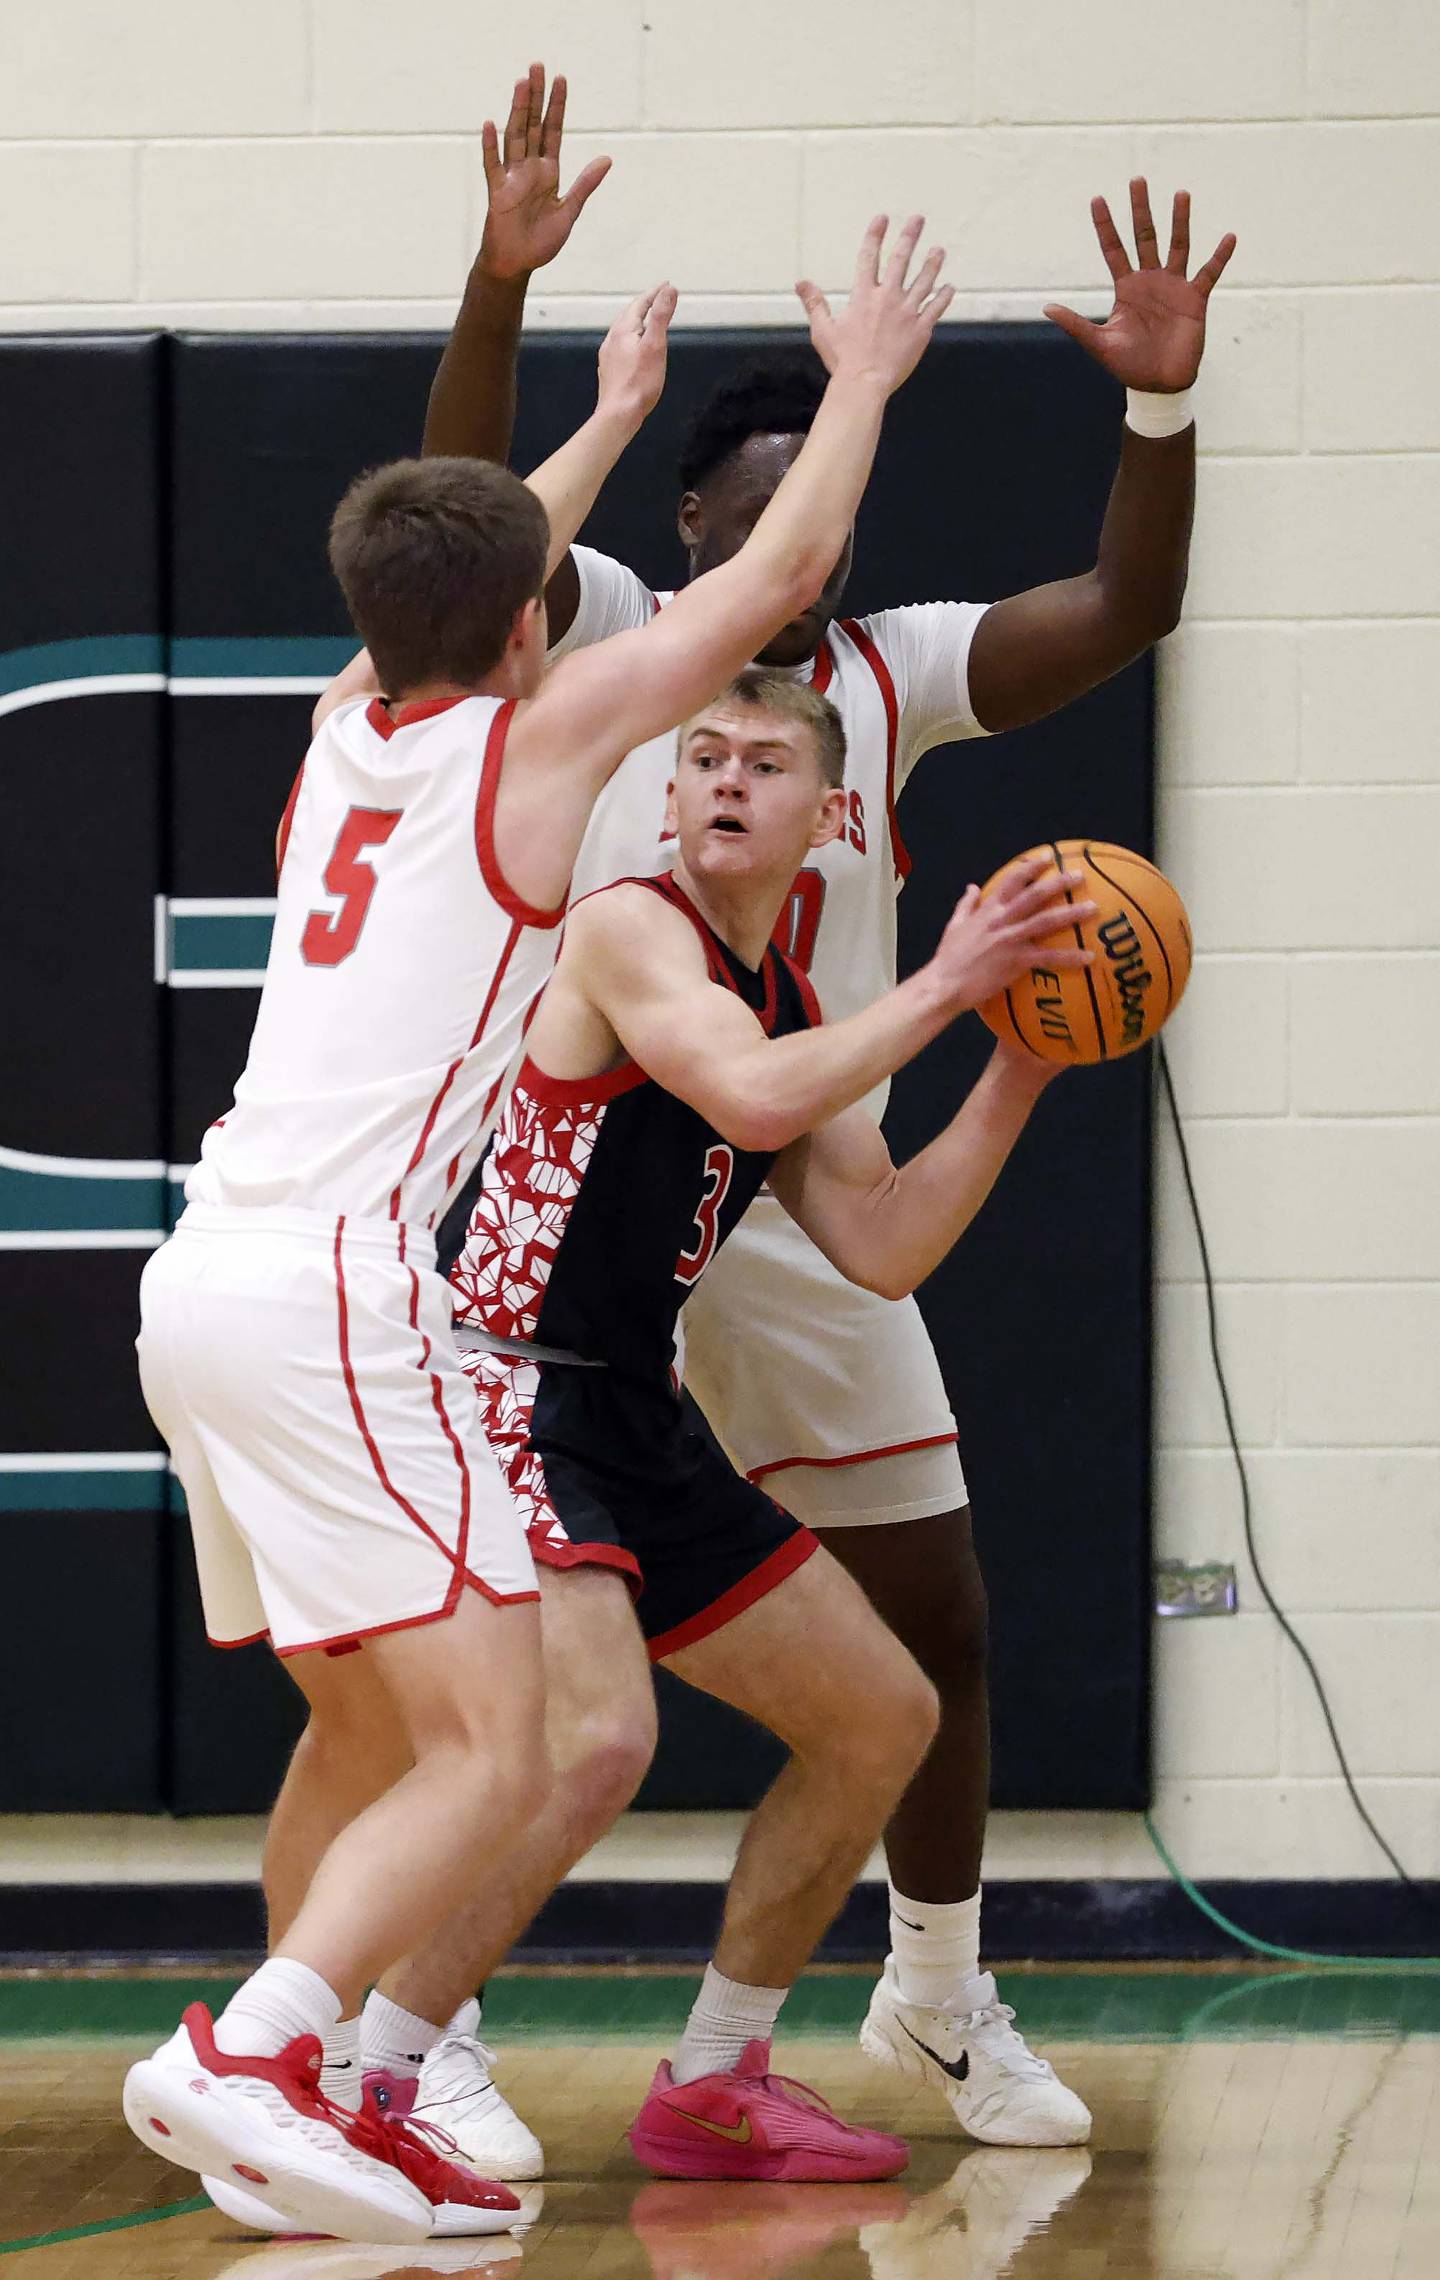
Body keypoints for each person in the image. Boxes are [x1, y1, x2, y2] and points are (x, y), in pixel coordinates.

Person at [411, 60, 1236, 2155]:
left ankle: (932, 1999)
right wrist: (500, 290)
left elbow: (1127, 609)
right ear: (702, 527)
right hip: (591, 1169)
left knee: (927, 1620)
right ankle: (425, 2029)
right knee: (530, 1693)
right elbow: (460, 509)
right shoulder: (616, 627)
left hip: (793, 1153)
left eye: (835, 491)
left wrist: (1156, 407)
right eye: (774, 496)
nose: (814, 527)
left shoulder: (883, 670)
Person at [125, 219, 954, 2243]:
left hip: (194, 1285)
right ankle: (256, 2053)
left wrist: (595, 431)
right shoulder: (532, 747)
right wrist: (861, 379)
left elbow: (461, 573)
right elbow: (766, 584)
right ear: (532, 638)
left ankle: (326, 2087)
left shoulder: (346, 726)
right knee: (527, 1744)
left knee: (371, 1722)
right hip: (341, 1292)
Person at [307, 668, 1094, 2193]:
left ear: (828, 812)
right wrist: (942, 987)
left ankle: (718, 2077)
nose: (726, 781)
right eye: (704, 758)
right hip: (499, 1374)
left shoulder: (795, 1003)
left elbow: (878, 1245)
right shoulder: (625, 926)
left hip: (625, 1397)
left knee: (884, 1715)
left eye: (764, 763)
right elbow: (740, 1091)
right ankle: (386, 2072)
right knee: (597, 1738)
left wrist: (1017, 1066)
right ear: (668, 796)